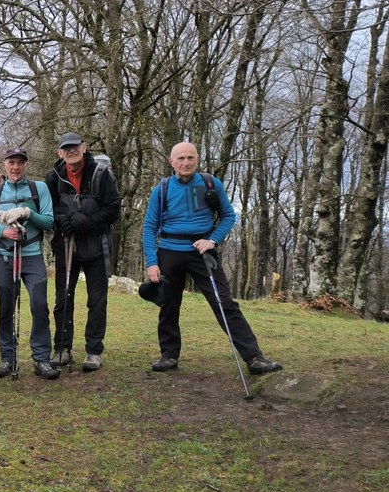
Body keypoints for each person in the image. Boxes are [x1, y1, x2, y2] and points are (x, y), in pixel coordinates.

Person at [141, 142, 282, 374]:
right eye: (181, 159)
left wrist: (213, 240)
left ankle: (254, 357)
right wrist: (151, 262)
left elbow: (228, 216)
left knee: (224, 303)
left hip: (202, 251)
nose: (186, 163)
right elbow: (149, 227)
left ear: (197, 159)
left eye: (190, 158)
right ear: (171, 161)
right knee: (168, 305)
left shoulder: (210, 184)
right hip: (169, 250)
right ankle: (169, 356)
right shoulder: (162, 189)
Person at [45, 133, 121, 372]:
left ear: (84, 148)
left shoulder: (101, 174)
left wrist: (86, 221)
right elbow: (49, 208)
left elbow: (113, 210)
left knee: (97, 301)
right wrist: (63, 221)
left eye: (75, 147)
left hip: (96, 246)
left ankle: (93, 351)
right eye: (66, 148)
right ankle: (62, 348)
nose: (71, 152)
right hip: (66, 245)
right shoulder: (53, 177)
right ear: (59, 153)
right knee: (63, 298)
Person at [0, 147, 57, 380]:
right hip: (4, 256)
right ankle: (8, 357)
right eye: (11, 162)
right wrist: (5, 232)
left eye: (20, 163)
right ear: (5, 164)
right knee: (6, 307)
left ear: (25, 165)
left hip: (32, 255)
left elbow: (48, 222)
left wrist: (27, 213)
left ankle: (42, 359)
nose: (15, 167)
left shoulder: (40, 189)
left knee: (39, 305)